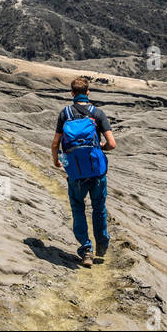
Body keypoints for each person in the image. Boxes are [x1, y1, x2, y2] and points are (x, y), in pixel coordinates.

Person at [51, 76, 116, 267]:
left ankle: (86, 250)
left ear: (72, 94)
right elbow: (112, 144)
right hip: (96, 172)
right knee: (99, 208)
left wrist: (57, 161)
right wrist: (100, 147)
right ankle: (102, 245)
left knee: (78, 209)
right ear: (88, 93)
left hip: (75, 173)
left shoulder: (65, 114)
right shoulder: (97, 113)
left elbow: (56, 143)